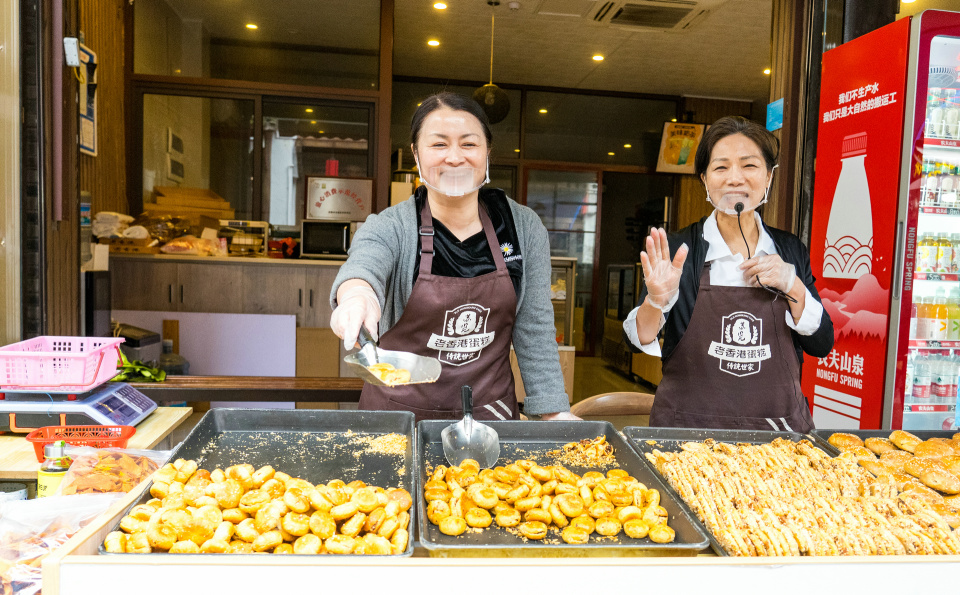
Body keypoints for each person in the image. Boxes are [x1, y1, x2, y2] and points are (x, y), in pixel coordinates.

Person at [329, 92, 576, 422]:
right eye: (439, 145)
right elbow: (363, 267)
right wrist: (356, 298)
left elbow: (535, 330)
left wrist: (554, 413)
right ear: (417, 154)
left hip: (489, 421)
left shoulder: (522, 227)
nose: (455, 158)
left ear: (488, 151)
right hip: (396, 421)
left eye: (469, 144)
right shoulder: (392, 226)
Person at [624, 116, 833, 432]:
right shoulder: (680, 248)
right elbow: (640, 338)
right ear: (705, 181)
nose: (735, 178)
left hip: (776, 441)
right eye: (721, 168)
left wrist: (794, 287)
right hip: (686, 439)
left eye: (749, 166)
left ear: (768, 178)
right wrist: (655, 301)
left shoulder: (789, 249)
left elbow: (822, 342)